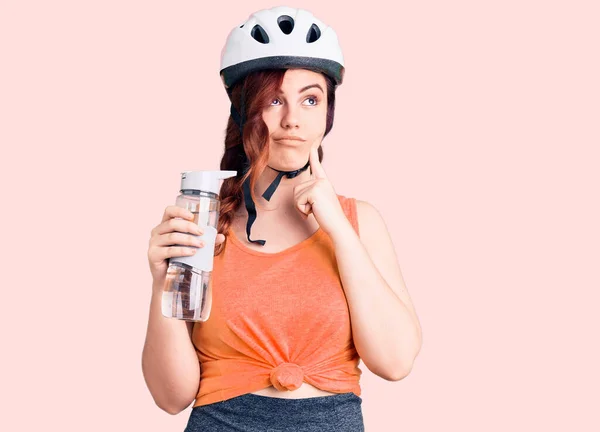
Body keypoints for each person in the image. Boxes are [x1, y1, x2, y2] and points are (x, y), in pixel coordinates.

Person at [142, 6, 422, 432]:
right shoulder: (205, 224)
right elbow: (171, 397)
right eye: (274, 100)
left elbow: (396, 361)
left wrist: (339, 232)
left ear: (327, 113)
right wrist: (163, 282)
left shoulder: (358, 221)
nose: (292, 119)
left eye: (311, 99)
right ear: (242, 110)